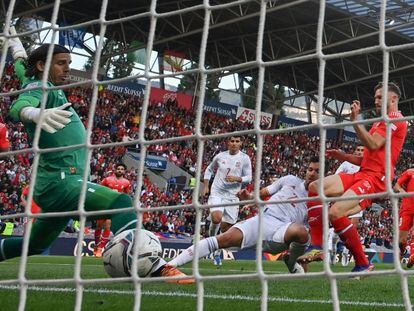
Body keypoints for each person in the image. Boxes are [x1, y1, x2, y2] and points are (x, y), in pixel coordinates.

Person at [0, 41, 191, 283]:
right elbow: (20, 105)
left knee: (34, 245)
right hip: (61, 181)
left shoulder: (38, 81)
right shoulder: (41, 88)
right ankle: (156, 267)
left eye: (69, 63)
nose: (67, 68)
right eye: (61, 63)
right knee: (120, 202)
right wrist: (34, 113)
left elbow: (21, 68)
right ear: (41, 65)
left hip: (57, 183)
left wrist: (16, 47)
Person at [304, 82, 408, 274]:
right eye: (375, 97)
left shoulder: (396, 119)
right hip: (363, 173)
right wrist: (344, 157)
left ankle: (362, 262)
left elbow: (373, 144)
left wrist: (355, 121)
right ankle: (317, 245)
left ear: (393, 98)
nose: (375, 100)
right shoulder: (380, 121)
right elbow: (368, 157)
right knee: (315, 186)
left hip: (376, 179)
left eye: (379, 97)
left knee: (335, 212)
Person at [168, 157, 320, 274]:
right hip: (262, 220)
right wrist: (249, 196)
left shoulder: (320, 200)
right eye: (310, 169)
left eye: (317, 171)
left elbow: (312, 233)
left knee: (300, 232)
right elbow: (263, 193)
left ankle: (292, 261)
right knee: (223, 239)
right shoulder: (290, 180)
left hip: (282, 231)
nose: (312, 174)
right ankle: (168, 267)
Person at [301, 146, 365, 265]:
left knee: (351, 227)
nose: (360, 152)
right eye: (358, 150)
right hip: (343, 195)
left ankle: (350, 253)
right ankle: (330, 249)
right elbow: (336, 176)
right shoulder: (347, 164)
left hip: (358, 195)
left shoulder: (368, 166)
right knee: (336, 228)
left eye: (362, 151)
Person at [203, 135, 252, 265]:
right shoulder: (220, 156)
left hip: (233, 196)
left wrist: (238, 179)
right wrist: (206, 186)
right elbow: (209, 169)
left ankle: (217, 251)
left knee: (225, 229)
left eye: (237, 141)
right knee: (216, 218)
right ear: (228, 142)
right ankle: (210, 242)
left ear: (241, 143)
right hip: (217, 192)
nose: (234, 143)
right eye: (232, 141)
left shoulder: (244, 158)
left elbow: (249, 177)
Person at [94, 163, 131, 257]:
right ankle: (96, 244)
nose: (120, 170)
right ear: (115, 170)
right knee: (98, 226)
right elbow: (100, 190)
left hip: (115, 207)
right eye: (118, 168)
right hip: (104, 205)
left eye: (122, 169)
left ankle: (100, 249)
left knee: (107, 226)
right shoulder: (107, 179)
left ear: (124, 171)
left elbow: (126, 195)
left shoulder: (126, 183)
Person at [394, 168, 414, 268]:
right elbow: (396, 185)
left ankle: (413, 255)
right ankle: (402, 252)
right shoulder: (410, 172)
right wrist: (401, 190)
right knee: (401, 240)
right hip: (407, 208)